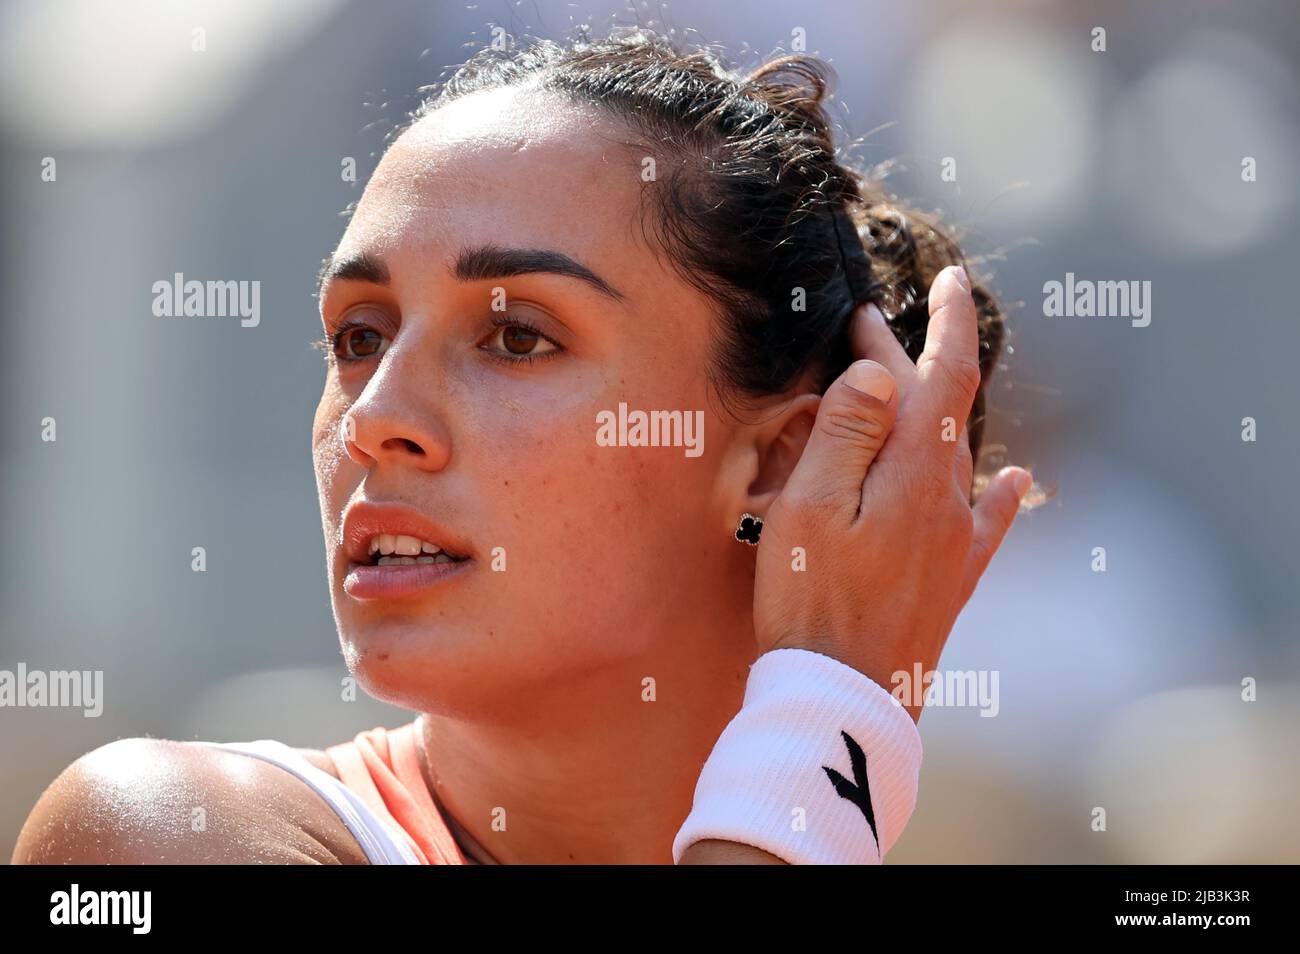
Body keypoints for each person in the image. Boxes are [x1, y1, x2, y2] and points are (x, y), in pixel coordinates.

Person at [12, 27, 1032, 865]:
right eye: (359, 338)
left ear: (779, 462)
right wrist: (833, 708)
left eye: (515, 338)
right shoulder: (156, 833)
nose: (372, 420)